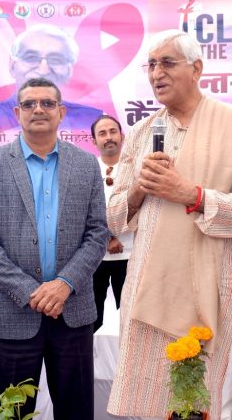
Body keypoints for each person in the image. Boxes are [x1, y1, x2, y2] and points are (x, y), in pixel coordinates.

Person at [106, 29, 232, 419]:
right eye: (151, 65)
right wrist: (139, 189)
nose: (156, 73)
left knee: (201, 404)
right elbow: (113, 216)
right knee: (149, 407)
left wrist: (193, 196)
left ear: (196, 69)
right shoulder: (142, 132)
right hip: (149, 291)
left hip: (210, 292)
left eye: (167, 63)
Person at [0, 77, 108, 418]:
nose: (38, 110)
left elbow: (97, 233)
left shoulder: (86, 164)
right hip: (13, 313)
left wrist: (64, 284)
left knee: (76, 411)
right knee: (14, 414)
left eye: (47, 103)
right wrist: (31, 292)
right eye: (29, 104)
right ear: (17, 113)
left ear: (61, 112)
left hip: (72, 311)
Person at [0, 24, 102, 132]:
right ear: (12, 66)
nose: (43, 70)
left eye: (55, 60)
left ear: (69, 71)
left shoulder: (92, 120)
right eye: (31, 58)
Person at [90, 114, 132, 332]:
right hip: (94, 256)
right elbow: (83, 211)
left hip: (130, 254)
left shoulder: (135, 169)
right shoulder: (87, 170)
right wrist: (107, 237)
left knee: (129, 319)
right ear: (94, 141)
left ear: (122, 136)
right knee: (91, 321)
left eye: (113, 131)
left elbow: (141, 207)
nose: (108, 137)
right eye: (102, 133)